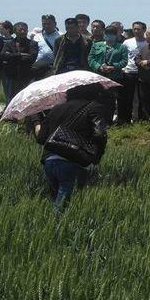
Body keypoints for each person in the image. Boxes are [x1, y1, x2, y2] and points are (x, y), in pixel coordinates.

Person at [33, 83, 111, 212]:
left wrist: (37, 123)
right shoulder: (94, 107)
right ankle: (55, 224)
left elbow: (41, 138)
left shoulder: (56, 108)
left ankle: (47, 222)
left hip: (49, 161)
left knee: (56, 200)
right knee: (63, 208)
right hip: (73, 160)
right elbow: (99, 134)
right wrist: (96, 156)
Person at [88, 27, 128, 123]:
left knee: (111, 99)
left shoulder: (122, 47)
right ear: (104, 35)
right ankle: (98, 120)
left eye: (112, 34)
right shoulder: (96, 45)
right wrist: (98, 67)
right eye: (107, 34)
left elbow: (124, 61)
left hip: (114, 77)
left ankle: (109, 121)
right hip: (99, 76)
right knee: (98, 99)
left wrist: (113, 67)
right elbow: (90, 59)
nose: (109, 36)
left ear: (116, 36)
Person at [0, 22, 38, 104]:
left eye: (25, 30)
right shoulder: (9, 43)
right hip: (12, 76)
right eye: (20, 30)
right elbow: (3, 56)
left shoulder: (33, 44)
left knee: (27, 99)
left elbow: (31, 58)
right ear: (15, 31)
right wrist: (20, 55)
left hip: (27, 76)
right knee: (11, 99)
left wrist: (12, 56)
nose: (23, 32)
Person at [119, 21, 147, 124]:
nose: (136, 31)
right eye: (134, 29)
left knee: (142, 97)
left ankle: (140, 120)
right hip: (129, 71)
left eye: (138, 29)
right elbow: (122, 55)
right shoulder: (127, 42)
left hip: (142, 72)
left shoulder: (147, 42)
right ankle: (125, 120)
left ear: (144, 30)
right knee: (127, 97)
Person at [32, 14, 63, 79]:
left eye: (49, 24)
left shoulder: (62, 36)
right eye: (44, 24)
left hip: (56, 69)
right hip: (40, 69)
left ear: (55, 24)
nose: (46, 26)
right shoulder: (37, 37)